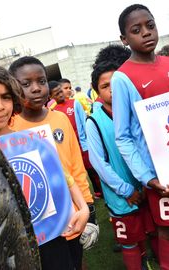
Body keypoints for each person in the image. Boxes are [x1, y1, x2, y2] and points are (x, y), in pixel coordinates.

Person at [0, 63, 90, 270]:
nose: (0, 106)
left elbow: (64, 176)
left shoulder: (32, 141)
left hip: (52, 239)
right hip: (6, 251)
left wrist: (83, 208)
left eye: (6, 97)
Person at [9, 56, 96, 270]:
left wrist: (87, 204)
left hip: (72, 212)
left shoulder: (60, 119)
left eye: (42, 81)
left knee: (76, 260)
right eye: (26, 84)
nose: (36, 89)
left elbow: (75, 164)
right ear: (13, 86)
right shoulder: (10, 127)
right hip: (40, 222)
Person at [111, 4, 169, 269]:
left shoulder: (168, 64)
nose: (146, 33)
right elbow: (122, 136)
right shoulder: (123, 78)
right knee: (166, 232)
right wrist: (148, 177)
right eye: (136, 30)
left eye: (150, 25)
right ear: (125, 39)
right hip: (160, 175)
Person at [87, 58, 156, 269]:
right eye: (105, 86)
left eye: (115, 84)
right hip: (122, 196)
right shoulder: (94, 121)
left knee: (152, 230)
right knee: (129, 241)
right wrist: (126, 190)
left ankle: (154, 261)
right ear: (96, 91)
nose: (112, 90)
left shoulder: (135, 112)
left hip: (147, 186)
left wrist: (148, 180)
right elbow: (98, 163)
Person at [49, 80, 103, 198]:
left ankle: (100, 191)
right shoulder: (52, 111)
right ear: (51, 97)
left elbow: (84, 122)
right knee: (74, 174)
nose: (61, 94)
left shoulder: (75, 103)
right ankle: (81, 196)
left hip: (83, 144)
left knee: (92, 169)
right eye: (57, 93)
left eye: (61, 91)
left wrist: (88, 140)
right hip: (68, 149)